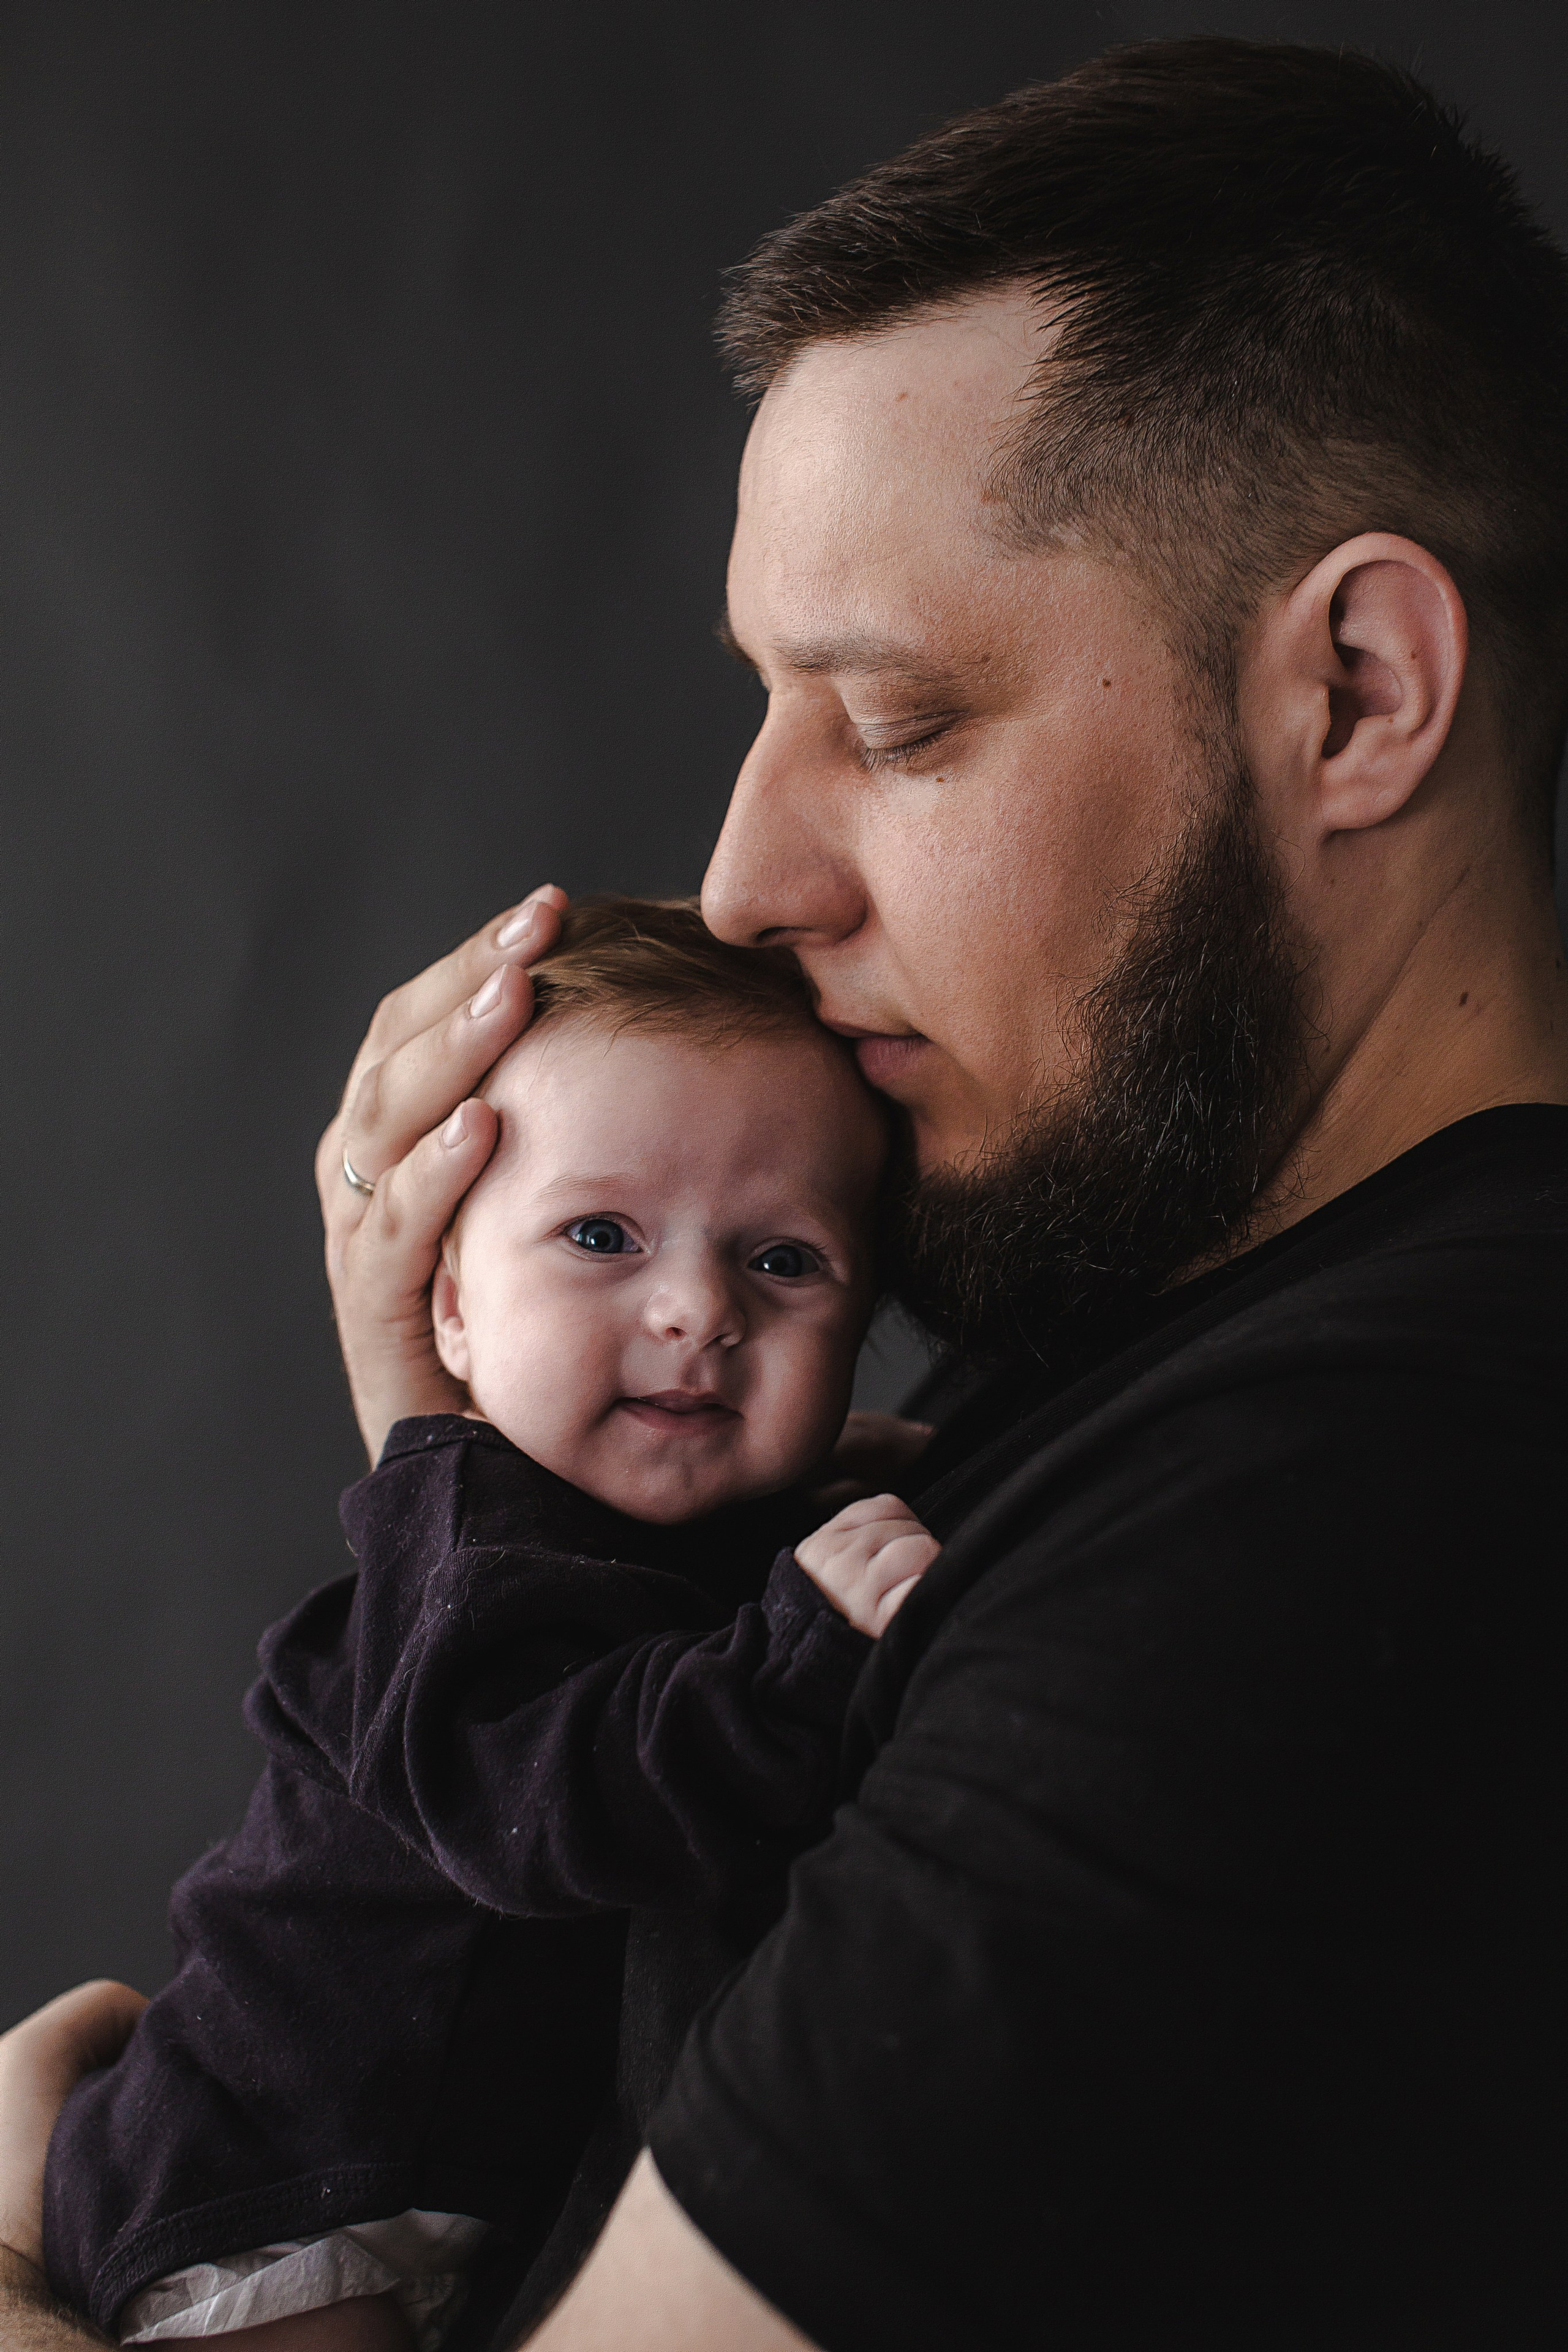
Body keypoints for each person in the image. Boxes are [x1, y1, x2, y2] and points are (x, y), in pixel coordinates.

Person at [5, 31, 1568, 2351]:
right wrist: (464, 1454)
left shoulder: (1331, 1513)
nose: (742, 877)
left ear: (1353, 692)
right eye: (760, 704)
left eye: (904, 719)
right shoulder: (1157, 1325)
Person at [40, 902, 940, 2348]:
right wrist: (797, 1651)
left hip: (434, 2177)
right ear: (448, 1309)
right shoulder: (472, 1535)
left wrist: (850, 1482)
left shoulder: (658, 1514)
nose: (696, 1310)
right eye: (600, 1235)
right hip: (280, 2180)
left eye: (784, 1263)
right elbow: (539, 1810)